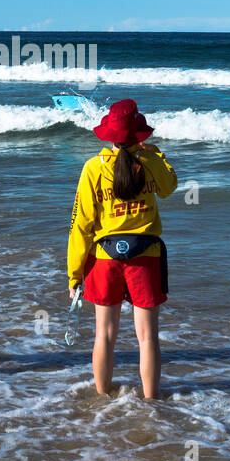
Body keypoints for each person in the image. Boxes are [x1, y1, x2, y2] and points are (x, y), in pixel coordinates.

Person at [67, 99, 177, 400]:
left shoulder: (92, 167)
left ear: (109, 134)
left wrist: (74, 274)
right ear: (138, 134)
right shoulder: (150, 162)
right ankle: (152, 402)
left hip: (105, 258)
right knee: (148, 338)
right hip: (146, 257)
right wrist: (155, 155)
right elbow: (170, 187)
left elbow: (81, 225)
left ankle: (102, 401)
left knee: (104, 334)